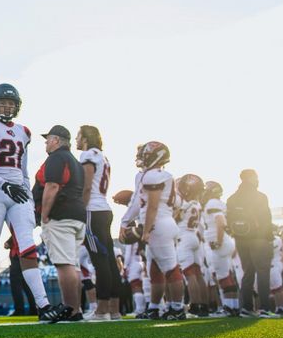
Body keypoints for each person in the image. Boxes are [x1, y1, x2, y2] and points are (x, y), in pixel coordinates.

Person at [0, 84, 55, 324]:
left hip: (18, 193)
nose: (6, 107)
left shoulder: (24, 131)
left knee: (27, 246)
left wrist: (26, 193)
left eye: (11, 103)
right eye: (2, 102)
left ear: (17, 106)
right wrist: (5, 185)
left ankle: (44, 305)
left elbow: (23, 170)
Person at [121, 141, 186, 321]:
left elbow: (152, 206)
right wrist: (124, 221)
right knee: (154, 270)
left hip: (158, 224)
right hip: (162, 223)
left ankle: (177, 308)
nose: (142, 157)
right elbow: (138, 202)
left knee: (170, 269)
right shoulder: (153, 176)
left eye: (146, 154)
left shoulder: (155, 176)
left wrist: (147, 230)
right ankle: (155, 307)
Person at [35, 125, 86, 323]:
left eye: (48, 139)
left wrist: (45, 215)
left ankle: (71, 310)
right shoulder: (75, 161)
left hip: (61, 216)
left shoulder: (57, 158)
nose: (46, 143)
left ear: (56, 140)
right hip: (76, 215)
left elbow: (53, 185)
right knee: (73, 265)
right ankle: (76, 308)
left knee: (64, 264)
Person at [76, 125, 121, 321]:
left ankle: (102, 310)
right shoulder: (103, 157)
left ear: (85, 138)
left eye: (78, 136)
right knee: (109, 260)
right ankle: (115, 310)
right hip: (104, 208)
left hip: (92, 211)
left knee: (99, 260)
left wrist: (80, 210)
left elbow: (86, 187)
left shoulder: (88, 155)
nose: (76, 139)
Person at [226, 169, 277, 317]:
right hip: (259, 239)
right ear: (251, 178)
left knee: (247, 273)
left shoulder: (232, 198)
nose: (257, 180)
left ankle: (247, 308)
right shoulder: (259, 196)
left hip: (241, 239)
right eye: (256, 177)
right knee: (262, 272)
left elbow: (229, 220)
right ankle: (265, 309)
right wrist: (268, 238)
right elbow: (266, 219)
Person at [201, 181, 240, 315]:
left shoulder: (212, 203)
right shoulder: (218, 203)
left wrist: (218, 241)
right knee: (226, 275)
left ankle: (229, 307)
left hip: (220, 241)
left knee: (223, 276)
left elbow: (221, 222)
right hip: (225, 241)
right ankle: (233, 306)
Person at [175, 174, 210, 317]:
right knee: (198, 274)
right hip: (194, 236)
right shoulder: (197, 204)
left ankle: (195, 305)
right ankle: (205, 306)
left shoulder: (184, 203)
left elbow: (175, 218)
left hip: (184, 236)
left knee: (189, 274)